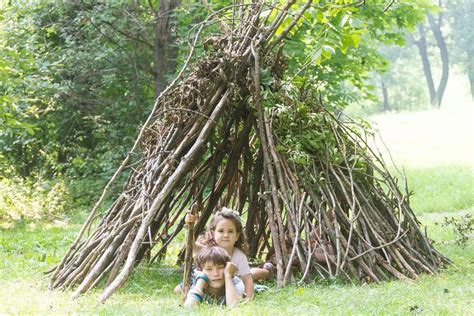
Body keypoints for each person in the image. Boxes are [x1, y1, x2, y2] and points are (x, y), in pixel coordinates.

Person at [175, 207, 273, 298]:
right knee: (177, 290)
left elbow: (247, 279)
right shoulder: (209, 251)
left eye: (230, 231)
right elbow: (191, 246)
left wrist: (248, 297)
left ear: (237, 236)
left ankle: (267, 272)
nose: (226, 235)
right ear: (213, 233)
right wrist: (189, 225)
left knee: (251, 274)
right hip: (207, 281)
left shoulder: (238, 255)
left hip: (230, 280)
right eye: (221, 231)